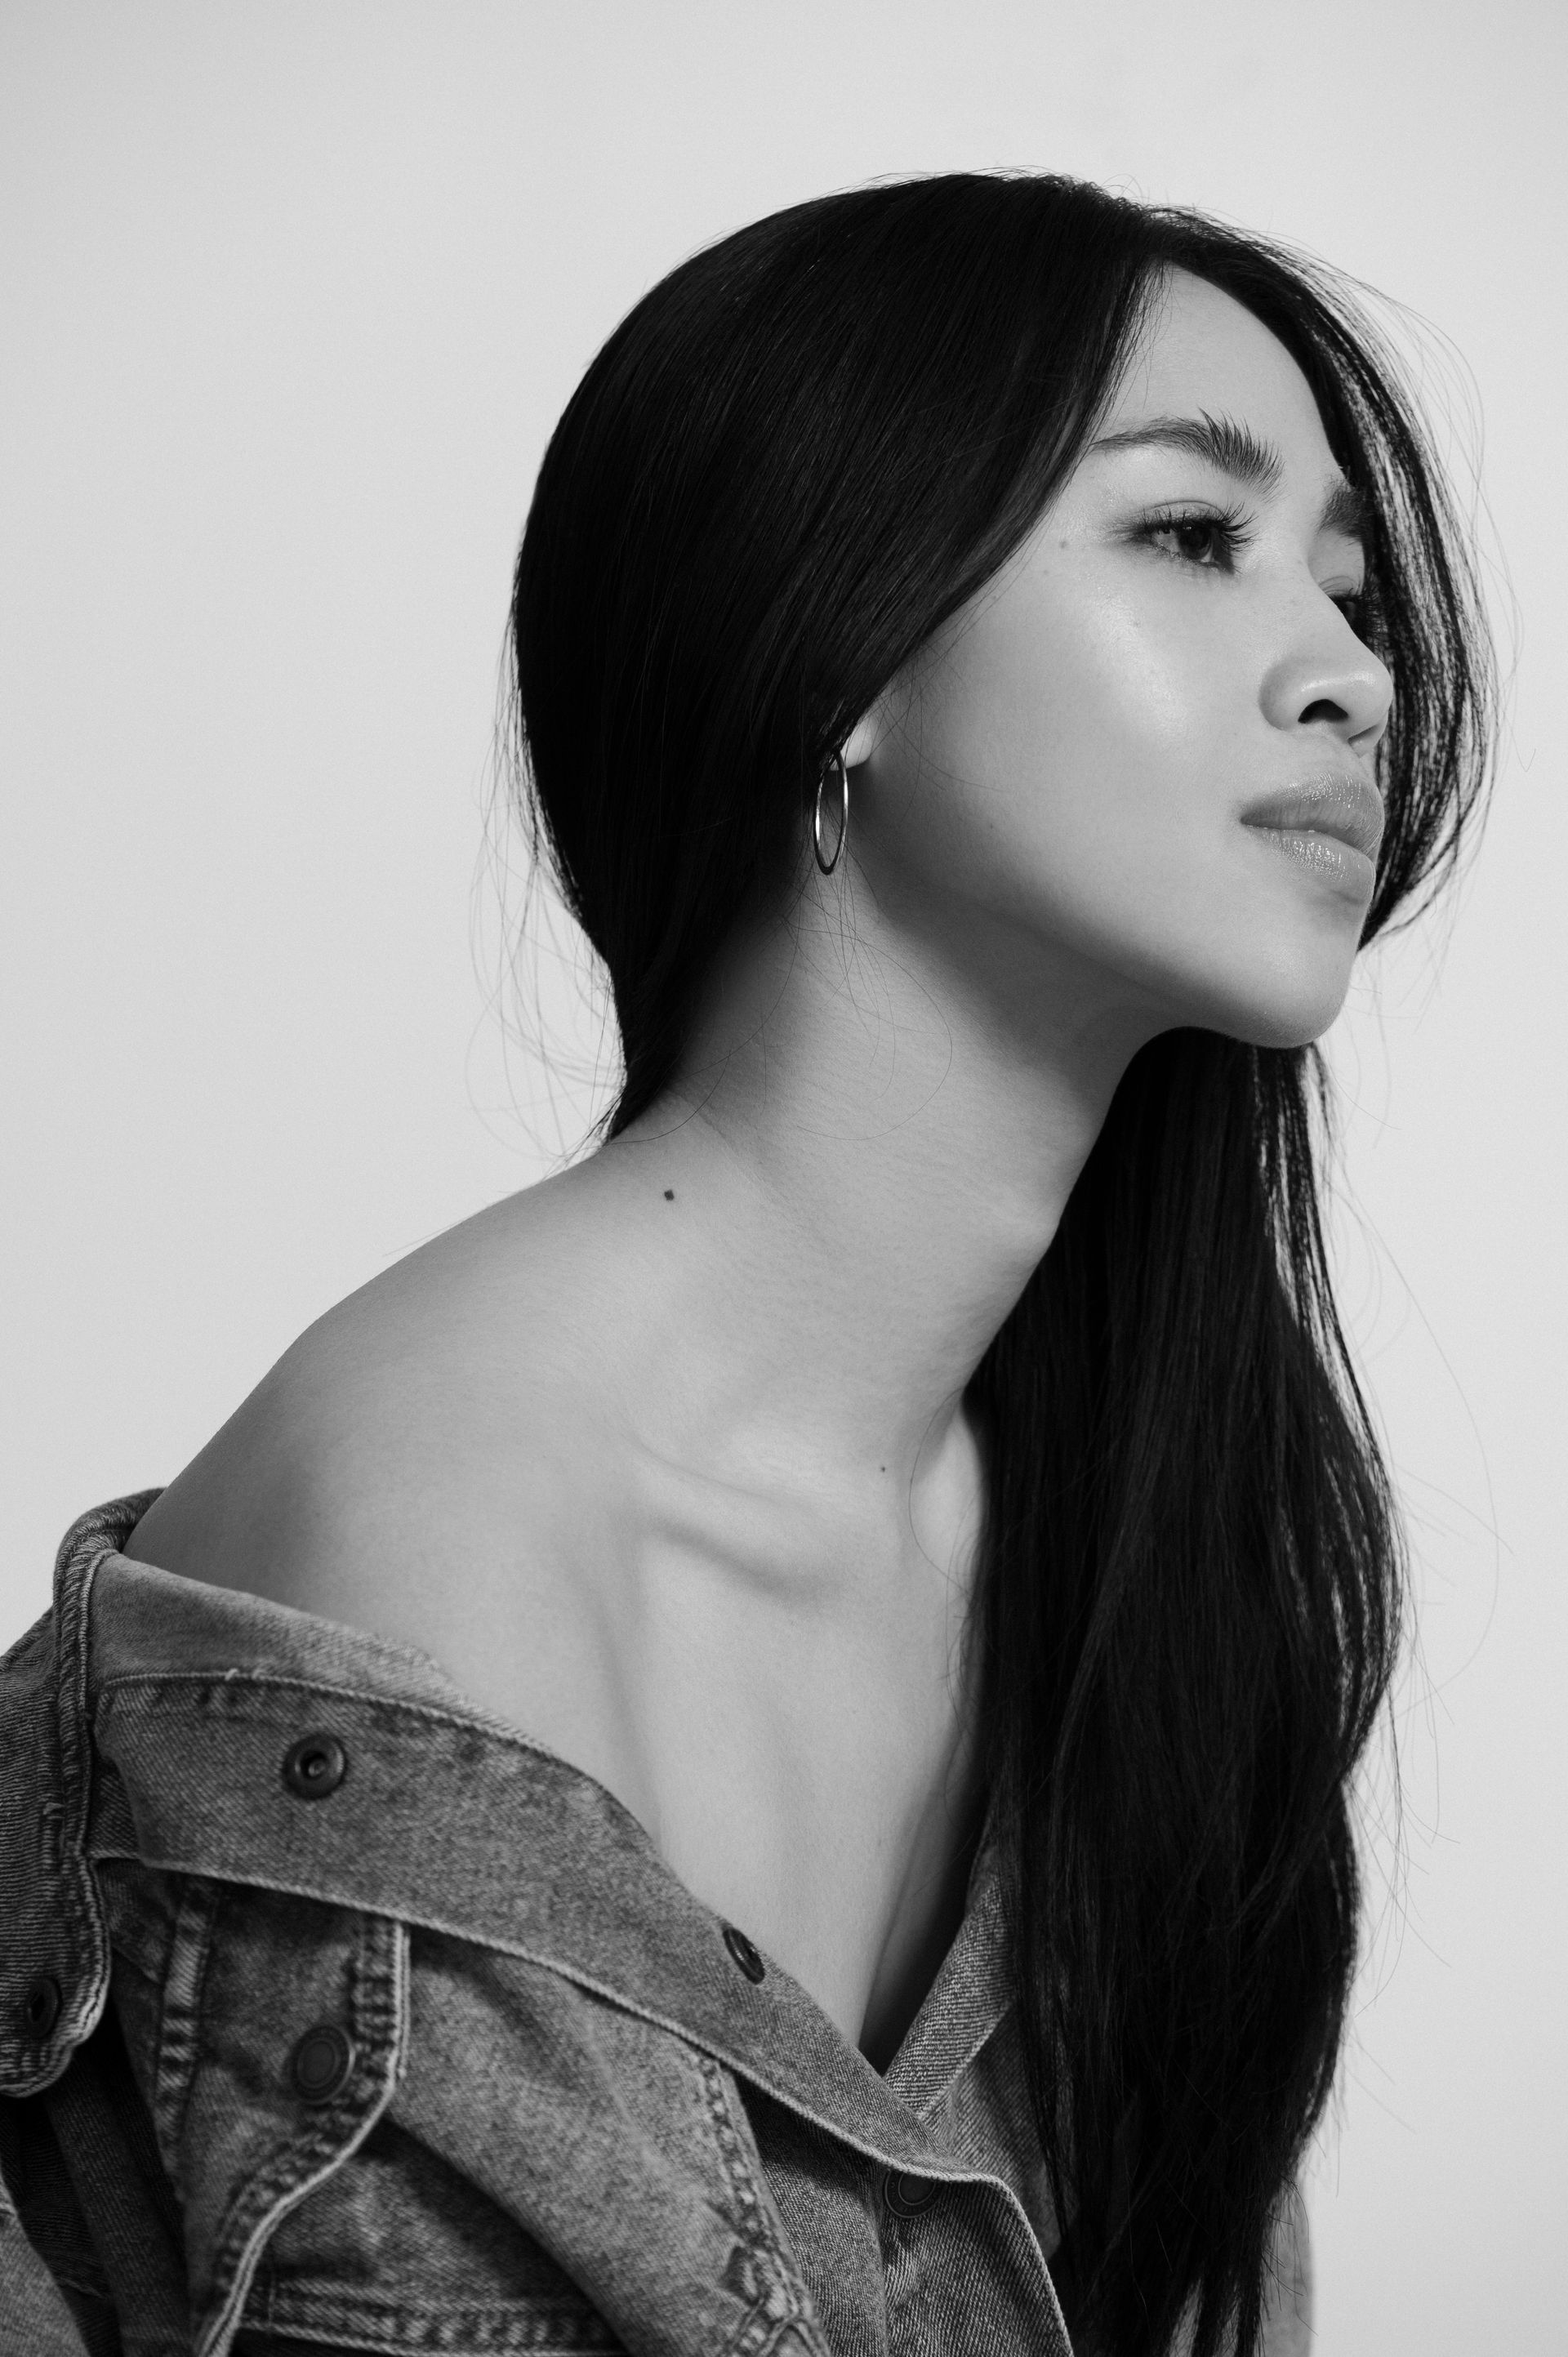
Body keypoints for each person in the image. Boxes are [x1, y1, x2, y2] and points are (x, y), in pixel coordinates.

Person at [0, 172, 1493, 2357]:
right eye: (1194, 536)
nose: (1353, 675)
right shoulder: (446, 1551)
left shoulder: (1124, 1547)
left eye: (1351, 592)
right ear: (842, 651)